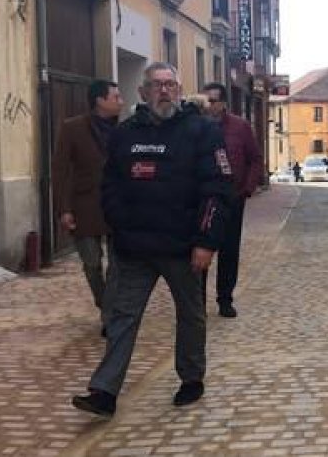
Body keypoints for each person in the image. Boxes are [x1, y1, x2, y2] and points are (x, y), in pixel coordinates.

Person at [72, 63, 231, 419]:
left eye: (170, 85)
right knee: (121, 318)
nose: (164, 91)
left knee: (190, 315)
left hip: (184, 248)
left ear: (179, 90)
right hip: (134, 248)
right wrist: (117, 225)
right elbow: (110, 185)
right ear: (143, 92)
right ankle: (104, 391)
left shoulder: (202, 131)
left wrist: (206, 241)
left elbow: (217, 191)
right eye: (156, 85)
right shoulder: (125, 133)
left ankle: (191, 378)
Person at [52, 79, 122, 337]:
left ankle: (110, 315)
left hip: (117, 205)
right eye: (116, 97)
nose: (121, 101)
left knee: (118, 264)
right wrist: (63, 208)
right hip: (84, 205)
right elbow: (59, 170)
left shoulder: (125, 129)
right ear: (100, 100)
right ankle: (104, 302)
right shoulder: (73, 128)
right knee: (92, 262)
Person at [200, 82, 262, 318]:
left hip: (232, 198)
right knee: (201, 248)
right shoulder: (195, 126)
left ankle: (225, 298)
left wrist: (247, 188)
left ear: (223, 103)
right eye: (205, 101)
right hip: (203, 199)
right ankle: (198, 300)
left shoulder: (240, 127)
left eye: (212, 101)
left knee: (229, 250)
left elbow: (255, 159)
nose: (208, 105)